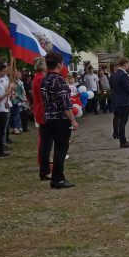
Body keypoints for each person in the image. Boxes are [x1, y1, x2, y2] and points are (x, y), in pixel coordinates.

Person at [40, 51, 78, 188]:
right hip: (60, 119)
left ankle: (55, 177)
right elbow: (65, 103)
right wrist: (73, 120)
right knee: (61, 149)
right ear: (59, 64)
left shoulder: (45, 79)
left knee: (53, 147)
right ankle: (58, 179)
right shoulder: (59, 79)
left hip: (48, 117)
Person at [110, 57, 129, 149]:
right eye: (128, 64)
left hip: (117, 100)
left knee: (120, 120)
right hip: (124, 101)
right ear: (125, 64)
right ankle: (123, 141)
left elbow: (112, 87)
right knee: (123, 122)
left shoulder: (114, 74)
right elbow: (128, 89)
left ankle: (119, 137)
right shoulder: (123, 75)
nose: (128, 65)